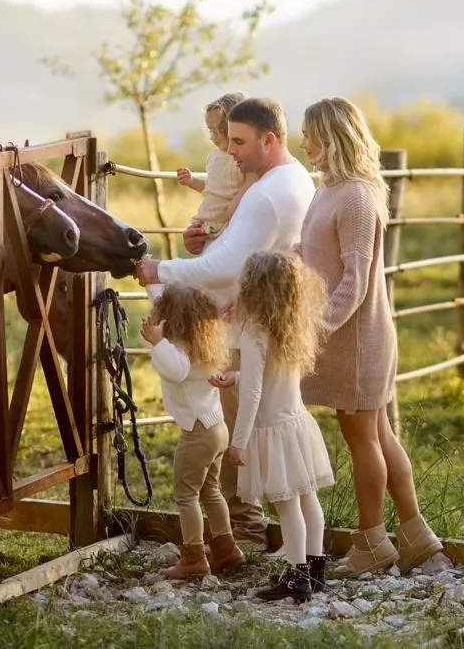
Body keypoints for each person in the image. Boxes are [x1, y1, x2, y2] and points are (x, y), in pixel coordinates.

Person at [136, 96, 316, 548]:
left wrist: (162, 270)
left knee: (243, 438)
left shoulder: (268, 193)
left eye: (238, 141)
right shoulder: (286, 179)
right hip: (244, 319)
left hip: (239, 328)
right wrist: (205, 242)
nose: (228, 151)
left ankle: (251, 535)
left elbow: (228, 266)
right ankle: (272, 544)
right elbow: (238, 251)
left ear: (268, 140)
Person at [298, 96, 444, 575]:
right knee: (377, 433)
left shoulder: (357, 198)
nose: (304, 143)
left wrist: (315, 331)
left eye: (310, 135)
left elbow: (354, 281)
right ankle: (417, 538)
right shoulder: (329, 189)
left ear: (333, 136)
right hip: (347, 337)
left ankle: (372, 544)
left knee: (362, 437)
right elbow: (316, 252)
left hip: (357, 339)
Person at [215, 251, 333, 601]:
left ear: (253, 289)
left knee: (287, 506)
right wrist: (236, 376)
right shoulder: (291, 328)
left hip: (272, 432)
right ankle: (315, 569)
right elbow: (271, 379)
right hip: (296, 424)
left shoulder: (254, 333)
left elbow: (253, 393)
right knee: (308, 500)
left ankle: (298, 578)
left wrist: (238, 441)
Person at [139, 282, 246, 579]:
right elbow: (168, 298)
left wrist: (157, 342)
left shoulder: (177, 349)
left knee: (186, 495)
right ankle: (226, 548)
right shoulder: (205, 341)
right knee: (211, 490)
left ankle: (193, 558)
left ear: (169, 316)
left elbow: (176, 370)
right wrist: (150, 279)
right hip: (217, 428)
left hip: (198, 432)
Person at [176, 91, 256, 237]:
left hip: (227, 226)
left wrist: (233, 211)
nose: (214, 136)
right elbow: (211, 189)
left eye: (219, 130)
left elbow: (249, 188)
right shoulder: (213, 156)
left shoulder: (243, 158)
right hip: (205, 223)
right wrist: (191, 181)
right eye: (211, 130)